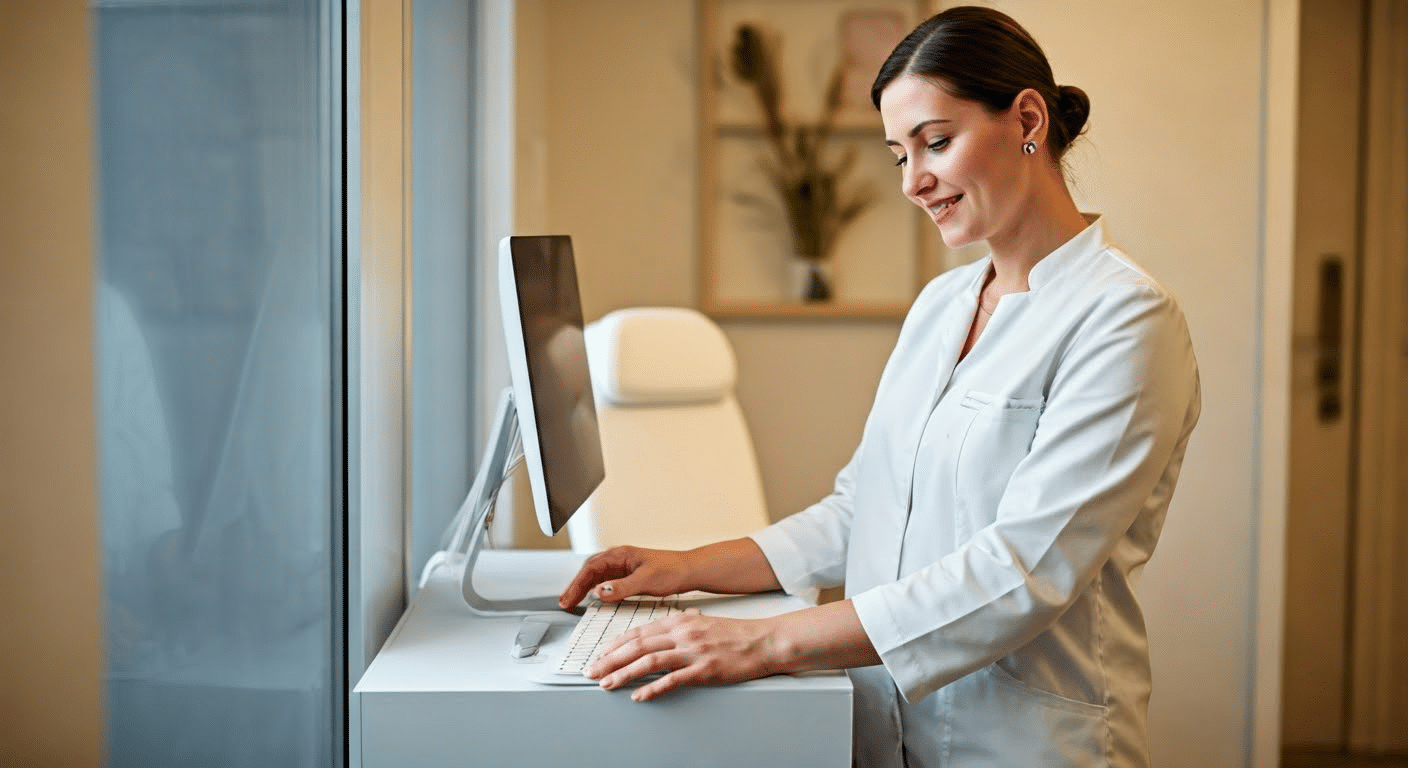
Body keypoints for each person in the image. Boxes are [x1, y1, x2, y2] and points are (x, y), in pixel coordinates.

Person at [557, 6, 1201, 767]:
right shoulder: (942, 306)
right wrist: (688, 569)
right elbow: (862, 508)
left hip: (1024, 743)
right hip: (882, 729)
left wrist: (766, 641)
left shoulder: (1125, 319)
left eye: (936, 142)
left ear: (1027, 117)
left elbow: (1023, 571)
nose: (914, 182)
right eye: (899, 155)